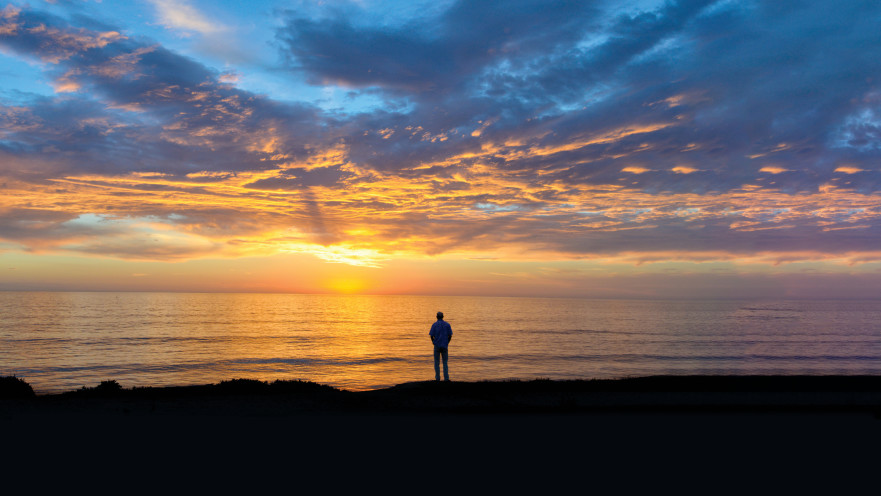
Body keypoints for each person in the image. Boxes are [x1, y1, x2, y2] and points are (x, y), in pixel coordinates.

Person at [429, 311, 453, 381]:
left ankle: (437, 378)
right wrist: (447, 342)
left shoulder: (434, 325)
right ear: (443, 317)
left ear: (436, 317)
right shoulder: (447, 324)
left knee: (436, 362)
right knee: (445, 362)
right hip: (444, 345)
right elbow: (450, 335)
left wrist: (433, 342)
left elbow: (431, 335)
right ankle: (446, 378)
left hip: (437, 345)